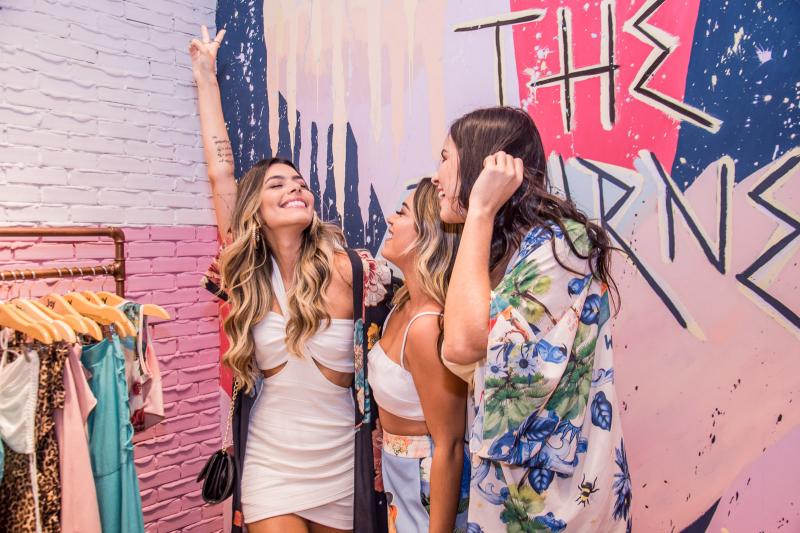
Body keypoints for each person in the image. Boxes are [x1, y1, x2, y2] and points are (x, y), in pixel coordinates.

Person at [189, 26, 393, 533]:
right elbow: (221, 173)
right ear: (255, 208)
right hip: (270, 463)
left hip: (340, 464)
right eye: (277, 184)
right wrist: (205, 77)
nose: (295, 188)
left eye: (300, 183)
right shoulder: (247, 273)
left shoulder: (349, 270)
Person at [433, 107, 632, 532]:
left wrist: (480, 210)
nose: (436, 176)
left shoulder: (563, 244)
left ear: (484, 163)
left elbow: (462, 343)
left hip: (556, 503)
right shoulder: (500, 251)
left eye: (446, 158)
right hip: (509, 492)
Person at [367, 178, 469, 532]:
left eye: (402, 212)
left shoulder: (427, 326)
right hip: (399, 478)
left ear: (428, 234)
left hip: (426, 483)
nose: (390, 220)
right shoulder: (402, 304)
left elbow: (450, 444)